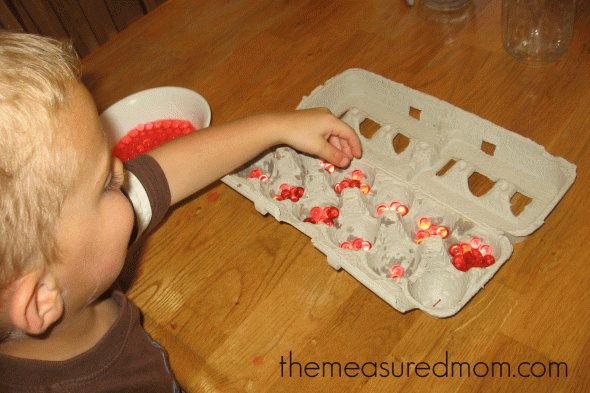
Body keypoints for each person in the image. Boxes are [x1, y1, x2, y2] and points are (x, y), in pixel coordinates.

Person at [0, 31, 361, 392]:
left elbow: (165, 171)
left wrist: (276, 126)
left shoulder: (69, 272)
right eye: (106, 185)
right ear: (38, 300)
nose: (123, 171)